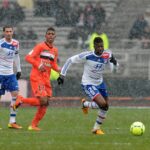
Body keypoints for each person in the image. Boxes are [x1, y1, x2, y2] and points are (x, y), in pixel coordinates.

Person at [57, 37, 119, 135]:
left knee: (106, 107)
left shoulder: (107, 54)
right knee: (102, 104)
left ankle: (91, 118)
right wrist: (62, 75)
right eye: (98, 47)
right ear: (94, 46)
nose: (101, 48)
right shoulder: (87, 55)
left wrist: (115, 64)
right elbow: (70, 60)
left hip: (100, 83)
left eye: (102, 46)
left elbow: (113, 60)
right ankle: (95, 127)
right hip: (88, 84)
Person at [13, 27, 61, 131]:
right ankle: (21, 99)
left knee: (45, 103)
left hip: (46, 79)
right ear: (45, 35)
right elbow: (28, 57)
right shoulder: (40, 46)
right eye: (49, 34)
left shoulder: (55, 50)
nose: (51, 35)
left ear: (55, 36)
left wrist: (59, 70)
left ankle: (33, 125)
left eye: (52, 34)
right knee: (43, 100)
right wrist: (38, 64)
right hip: (37, 76)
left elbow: (53, 64)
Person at [0, 25, 22, 129]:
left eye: (10, 31)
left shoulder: (16, 43)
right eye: (7, 31)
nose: (9, 33)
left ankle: (12, 121)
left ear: (12, 32)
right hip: (0, 74)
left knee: (16, 95)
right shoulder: (1, 43)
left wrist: (19, 69)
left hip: (10, 74)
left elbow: (16, 56)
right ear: (4, 33)